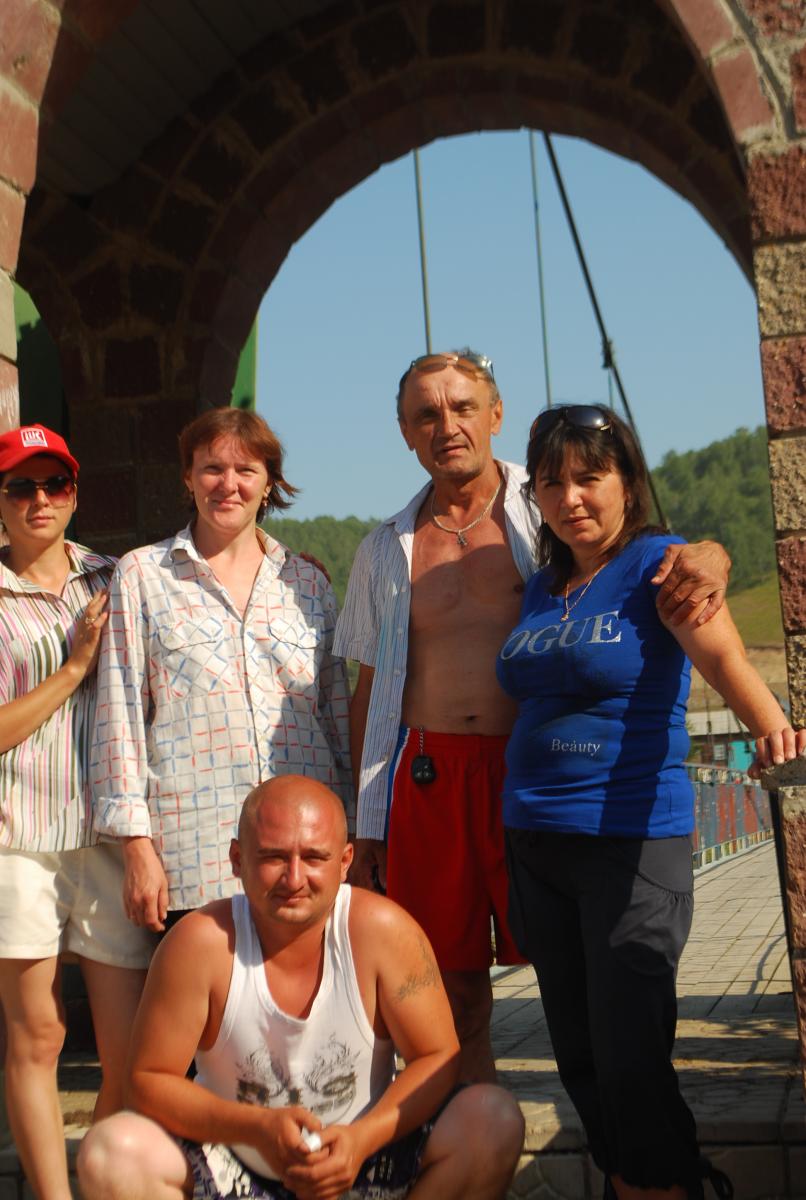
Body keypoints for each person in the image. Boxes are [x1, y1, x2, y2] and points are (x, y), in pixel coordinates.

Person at [334, 350, 732, 1084]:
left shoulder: (551, 499)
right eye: (425, 414)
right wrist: (366, 822)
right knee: (448, 988)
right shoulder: (381, 549)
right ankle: (475, 1131)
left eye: (462, 407)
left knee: (577, 975)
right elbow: (369, 688)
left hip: (539, 780)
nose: (446, 426)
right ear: (405, 432)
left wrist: (712, 552)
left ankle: (622, 1125)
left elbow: (646, 552)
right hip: (428, 779)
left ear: (496, 414)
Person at [497, 403, 806, 1199]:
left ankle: (667, 1184)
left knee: (630, 1052)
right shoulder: (542, 588)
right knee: (580, 1057)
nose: (571, 498)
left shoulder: (661, 566)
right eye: (552, 483)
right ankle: (637, 1184)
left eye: (589, 478)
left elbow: (724, 656)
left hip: (629, 839)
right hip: (534, 839)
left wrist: (775, 733)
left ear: (627, 485)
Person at [77, 775, 525, 1200]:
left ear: (345, 861)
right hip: (235, 1160)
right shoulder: (198, 942)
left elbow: (438, 1057)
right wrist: (256, 1129)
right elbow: (147, 1081)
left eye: (313, 858)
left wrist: (360, 1141)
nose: (294, 879)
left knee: (492, 1119)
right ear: (237, 859)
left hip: (365, 1156)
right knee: (112, 1152)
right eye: (273, 858)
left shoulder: (385, 931)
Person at [90, 408, 353, 933]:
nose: (228, 484)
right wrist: (136, 847)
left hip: (306, 860)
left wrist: (354, 833)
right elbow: (118, 717)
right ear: (188, 478)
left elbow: (338, 719)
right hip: (194, 856)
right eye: (212, 468)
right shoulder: (142, 575)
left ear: (269, 483)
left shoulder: (308, 584)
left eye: (246, 470)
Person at [0, 424, 154, 1200]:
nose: (40, 500)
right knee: (39, 1034)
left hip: (105, 833)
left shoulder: (116, 577)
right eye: (20, 486)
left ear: (75, 492)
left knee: (127, 1046)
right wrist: (72, 670)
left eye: (54, 483)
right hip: (15, 839)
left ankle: (98, 1180)